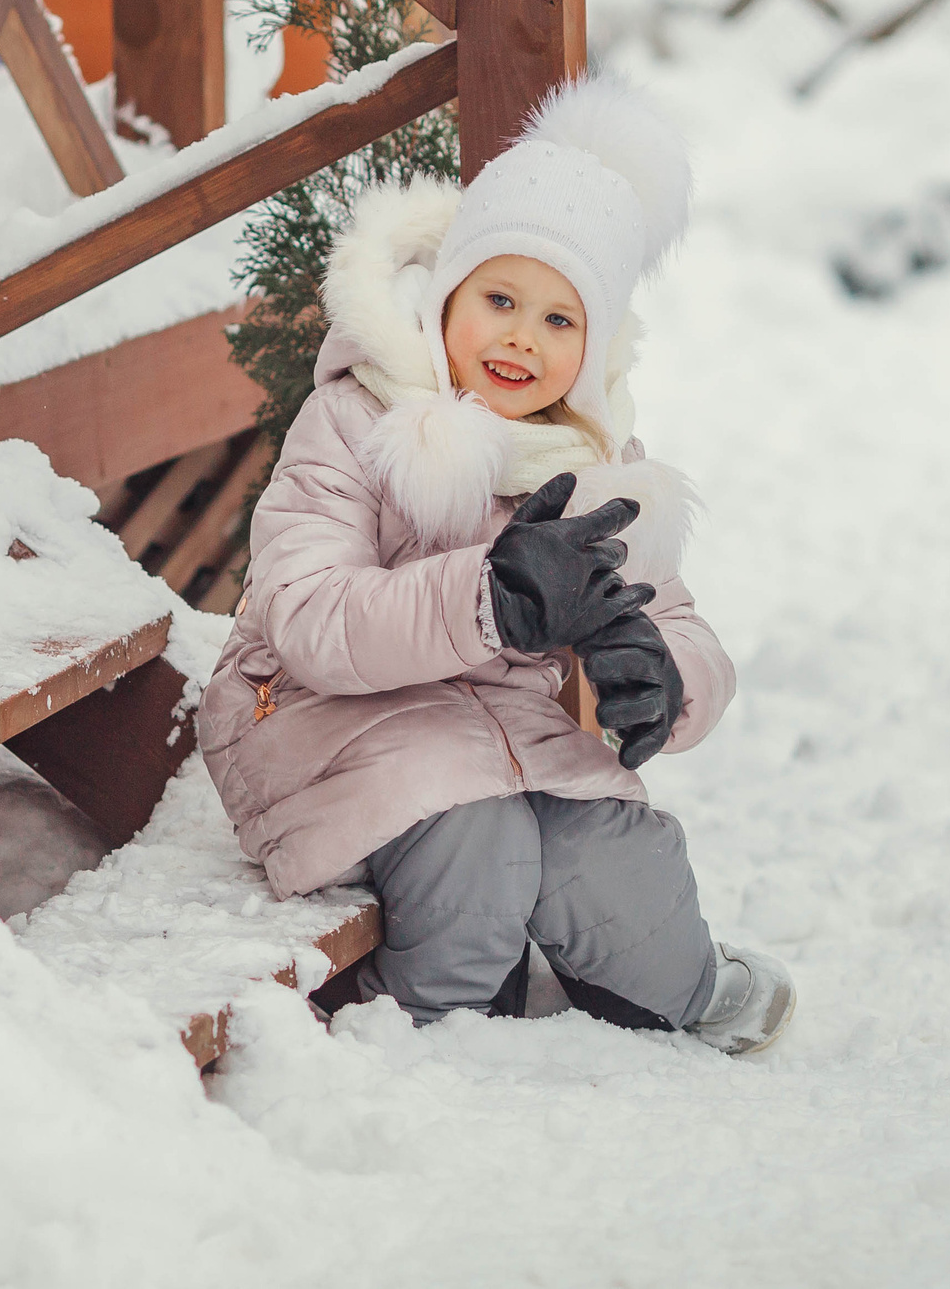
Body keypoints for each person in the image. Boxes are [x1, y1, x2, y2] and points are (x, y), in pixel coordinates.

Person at [200, 72, 793, 1051]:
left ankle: (656, 977)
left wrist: (664, 676)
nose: (521, 335)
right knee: (479, 857)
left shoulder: (591, 460)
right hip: (325, 717)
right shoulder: (356, 414)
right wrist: (489, 598)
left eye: (560, 320)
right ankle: (402, 1018)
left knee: (633, 908)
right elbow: (307, 614)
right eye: (500, 298)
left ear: (592, 345)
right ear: (447, 295)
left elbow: (675, 615)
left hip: (507, 734)